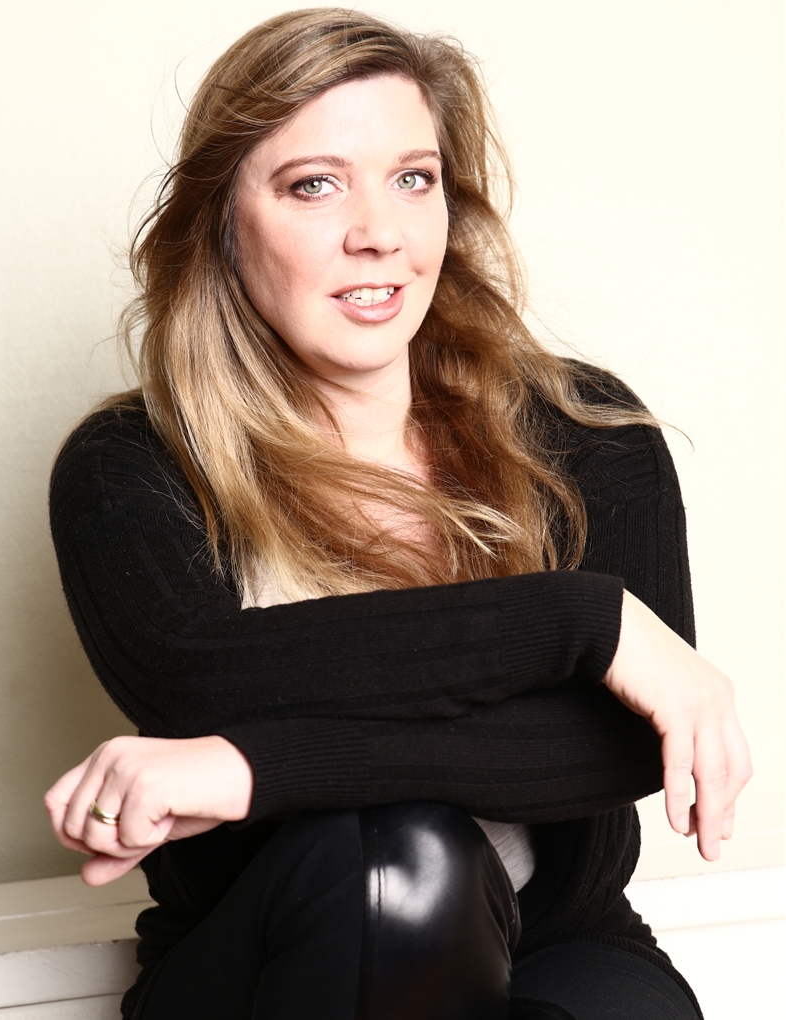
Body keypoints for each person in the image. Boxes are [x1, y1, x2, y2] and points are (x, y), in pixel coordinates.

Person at [44, 9, 751, 1019]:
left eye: (413, 179)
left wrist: (256, 768)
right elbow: (205, 676)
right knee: (402, 865)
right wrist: (583, 624)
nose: (378, 231)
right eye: (314, 184)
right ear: (222, 222)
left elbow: (618, 747)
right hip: (270, 961)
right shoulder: (133, 467)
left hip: (560, 937)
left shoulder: (587, 431)